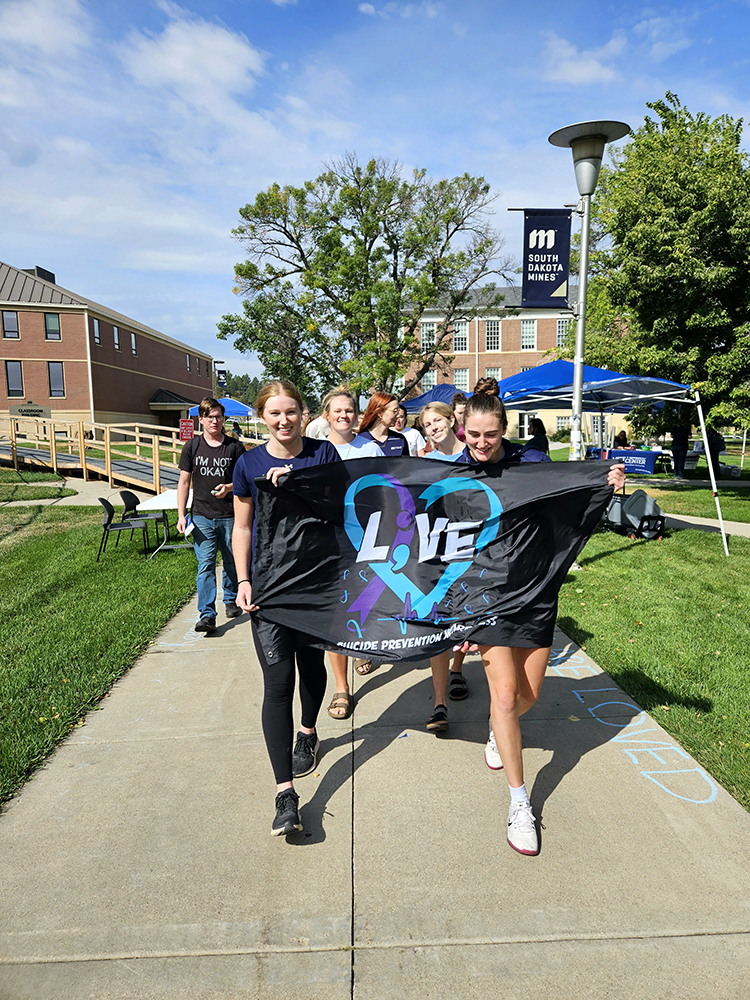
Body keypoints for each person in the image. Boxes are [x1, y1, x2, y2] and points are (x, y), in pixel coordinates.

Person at [449, 389, 625, 855]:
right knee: (504, 696)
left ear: (504, 429)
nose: (481, 444)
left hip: (535, 592)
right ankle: (519, 802)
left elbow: (571, 488)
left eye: (490, 435)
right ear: (461, 427)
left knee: (527, 697)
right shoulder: (451, 471)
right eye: (473, 435)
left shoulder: (531, 463)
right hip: (484, 595)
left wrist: (605, 478)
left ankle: (496, 729)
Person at [233, 380, 341, 836]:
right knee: (278, 682)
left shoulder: (323, 456)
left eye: (291, 412)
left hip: (315, 586)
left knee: (311, 664)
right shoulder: (249, 463)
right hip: (269, 588)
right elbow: (241, 527)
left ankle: (309, 731)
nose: (283, 421)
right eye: (274, 414)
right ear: (263, 417)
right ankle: (285, 794)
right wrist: (241, 580)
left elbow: (342, 510)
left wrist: (302, 487)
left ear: (303, 413)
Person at [322, 387, 383, 718]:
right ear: (326, 416)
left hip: (367, 537)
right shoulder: (316, 451)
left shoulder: (370, 447)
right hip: (330, 540)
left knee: (364, 601)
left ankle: (363, 646)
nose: (344, 416)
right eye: (338, 411)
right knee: (336, 612)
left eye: (349, 410)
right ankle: (342, 688)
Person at [419, 401, 472, 715]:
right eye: (427, 424)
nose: (433, 427)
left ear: (453, 420)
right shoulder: (423, 463)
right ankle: (439, 701)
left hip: (471, 547)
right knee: (436, 622)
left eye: (437, 420)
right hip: (436, 549)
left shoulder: (473, 454)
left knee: (466, 615)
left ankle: (457, 669)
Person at [177, 397, 245, 632]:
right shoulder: (192, 447)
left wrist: (229, 487)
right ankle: (207, 615)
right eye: (210, 417)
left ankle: (230, 598)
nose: (215, 421)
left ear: (223, 419)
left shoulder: (234, 447)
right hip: (201, 516)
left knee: (231, 561)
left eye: (219, 416)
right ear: (201, 419)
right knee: (205, 564)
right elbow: (184, 482)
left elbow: (243, 481)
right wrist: (180, 514)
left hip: (229, 514)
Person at [351, 391, 409, 457]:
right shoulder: (360, 440)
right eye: (395, 411)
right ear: (380, 413)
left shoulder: (399, 439)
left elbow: (406, 466)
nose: (398, 415)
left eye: (398, 411)